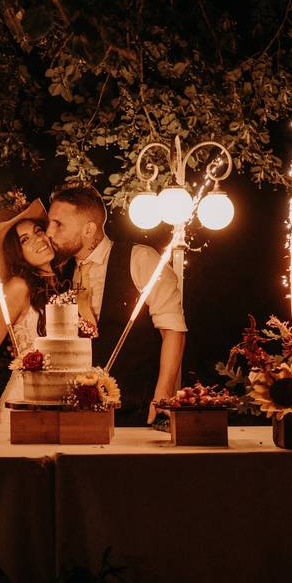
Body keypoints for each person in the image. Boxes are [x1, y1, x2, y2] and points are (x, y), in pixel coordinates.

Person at [46, 181, 187, 426]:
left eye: (58, 224)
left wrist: (162, 396)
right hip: (77, 414)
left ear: (89, 230)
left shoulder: (140, 259)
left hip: (136, 409)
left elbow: (173, 329)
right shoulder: (61, 274)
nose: (49, 232)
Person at [0, 199, 59, 424]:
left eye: (38, 231)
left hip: (61, 407)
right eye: (25, 240)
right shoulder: (18, 287)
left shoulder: (63, 283)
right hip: (22, 407)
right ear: (18, 253)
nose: (39, 239)